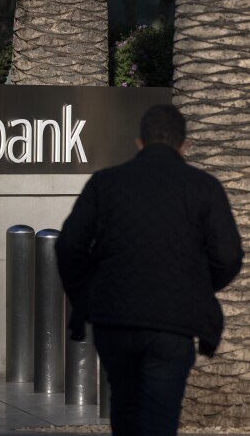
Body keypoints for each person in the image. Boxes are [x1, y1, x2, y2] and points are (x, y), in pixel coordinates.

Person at [56, 104, 243, 436]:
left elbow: (69, 245)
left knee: (125, 409)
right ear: (184, 146)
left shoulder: (105, 183)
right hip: (172, 326)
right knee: (160, 419)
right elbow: (228, 256)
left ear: (139, 142)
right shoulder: (204, 187)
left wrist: (87, 293)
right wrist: (196, 286)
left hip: (114, 320)